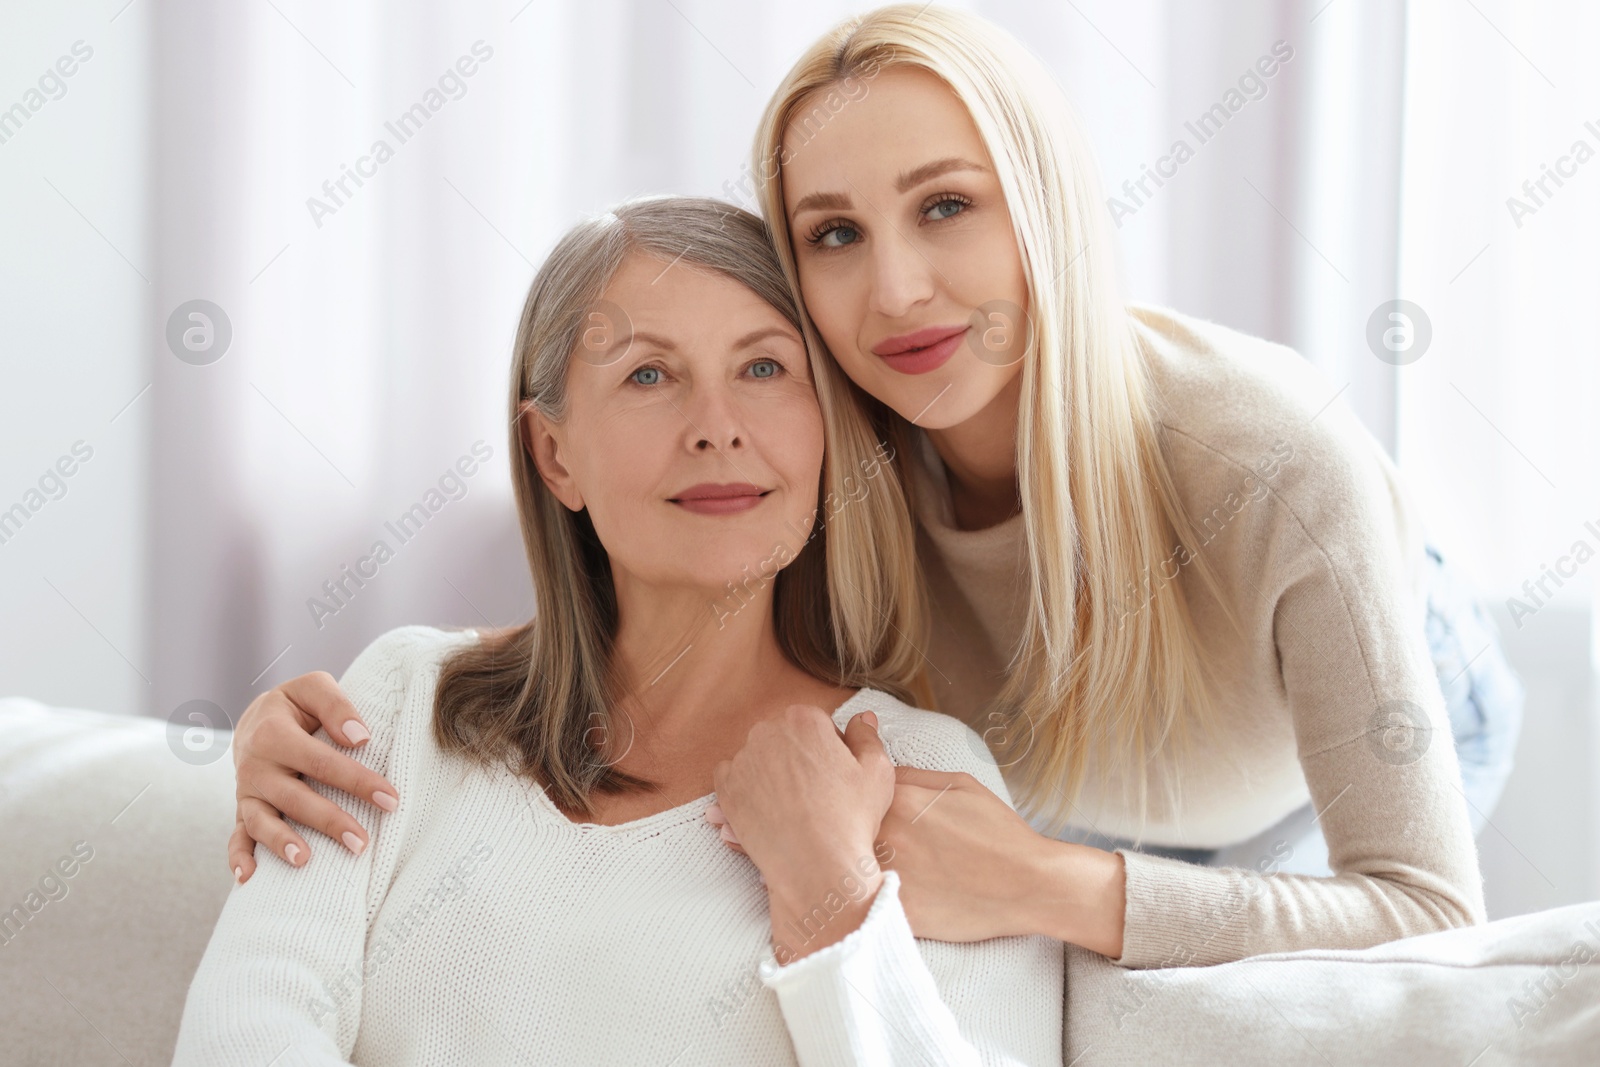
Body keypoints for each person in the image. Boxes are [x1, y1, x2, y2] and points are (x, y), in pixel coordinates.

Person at [223, 5, 1522, 970]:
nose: (895, 292)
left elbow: (1425, 910)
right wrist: (337, 722)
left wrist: (1055, 882)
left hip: (1318, 731)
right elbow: (644, 639)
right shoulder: (832, 442)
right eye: (834, 233)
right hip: (1082, 764)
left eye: (947, 206)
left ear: (1044, 210)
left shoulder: (1278, 464)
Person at [172, 196, 1064, 1065]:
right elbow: (246, 1024)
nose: (718, 429)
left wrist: (832, 895)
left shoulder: (921, 771)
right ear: (555, 455)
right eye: (648, 375)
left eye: (763, 368)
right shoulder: (400, 702)